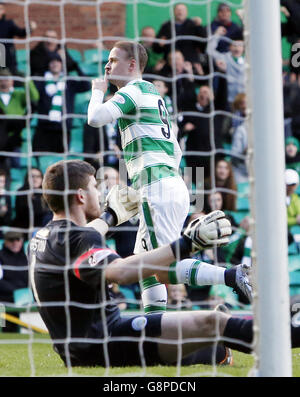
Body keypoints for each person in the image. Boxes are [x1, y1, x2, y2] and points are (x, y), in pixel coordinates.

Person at [28, 159, 300, 368]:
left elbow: (88, 236)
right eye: (94, 188)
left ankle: (218, 353)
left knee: (174, 338)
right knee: (213, 320)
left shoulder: (43, 236)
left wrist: (110, 216)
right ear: (80, 196)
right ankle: (291, 332)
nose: (100, 192)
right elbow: (120, 272)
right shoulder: (77, 237)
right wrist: (186, 244)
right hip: (105, 342)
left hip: (79, 349)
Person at [87, 41, 191, 315]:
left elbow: (95, 118)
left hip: (157, 187)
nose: (107, 65)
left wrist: (97, 92)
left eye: (113, 59)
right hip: (168, 183)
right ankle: (154, 326)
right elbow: (177, 149)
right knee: (143, 263)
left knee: (161, 268)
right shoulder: (153, 93)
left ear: (132, 65)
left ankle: (231, 276)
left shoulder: (133, 90)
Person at [33, 53, 91, 154]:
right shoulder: (40, 81)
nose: (55, 64)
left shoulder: (68, 82)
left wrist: (76, 67)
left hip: (63, 129)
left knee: (61, 163)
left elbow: (86, 85)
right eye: (52, 62)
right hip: (43, 128)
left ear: (62, 65)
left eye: (58, 61)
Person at [0, 67, 39, 167]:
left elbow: (34, 97)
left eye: (6, 79)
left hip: (16, 136)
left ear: (12, 81)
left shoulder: (19, 94)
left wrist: (27, 80)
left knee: (15, 164)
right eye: (1, 79)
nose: (4, 82)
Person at [207, 26, 245, 109]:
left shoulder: (248, 62)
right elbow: (210, 51)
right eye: (234, 45)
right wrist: (217, 35)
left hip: (244, 102)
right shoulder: (224, 58)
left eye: (240, 46)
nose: (237, 48)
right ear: (230, 47)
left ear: (243, 48)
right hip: (228, 102)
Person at [0, 231, 28, 331]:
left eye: (18, 240)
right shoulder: (1, 256)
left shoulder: (27, 257)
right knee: (5, 328)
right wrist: (17, 291)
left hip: (25, 299)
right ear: (5, 242)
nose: (15, 242)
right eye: (11, 240)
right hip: (4, 300)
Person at [12, 167, 52, 236]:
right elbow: (22, 215)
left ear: (42, 178)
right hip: (24, 228)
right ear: (27, 178)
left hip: (43, 227)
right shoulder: (21, 192)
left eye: (38, 176)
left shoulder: (46, 193)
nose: (35, 179)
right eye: (32, 176)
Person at [0, 2, 37, 74]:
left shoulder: (8, 24)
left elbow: (21, 33)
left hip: (7, 60)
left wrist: (30, 28)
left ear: (3, 11)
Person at [0, 168, 11, 234]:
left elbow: (9, 215)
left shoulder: (6, 195)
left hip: (3, 225)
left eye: (2, 181)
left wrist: (3, 214)